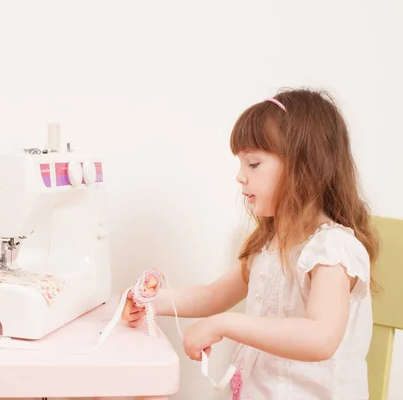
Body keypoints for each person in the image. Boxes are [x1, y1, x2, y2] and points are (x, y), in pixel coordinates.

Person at [121, 88, 379, 399]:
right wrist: (148, 301)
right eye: (240, 164)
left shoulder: (332, 250)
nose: (240, 177)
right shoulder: (269, 246)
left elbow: (320, 337)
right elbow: (212, 295)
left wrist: (226, 324)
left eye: (253, 164)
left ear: (305, 167)